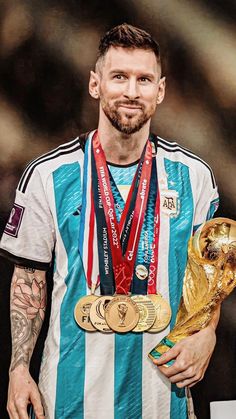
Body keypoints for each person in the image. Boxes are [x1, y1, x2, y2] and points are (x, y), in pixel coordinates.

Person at [0, 23, 220, 419]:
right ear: (95, 84)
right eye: (119, 77)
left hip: (162, 398)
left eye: (144, 79)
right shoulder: (48, 176)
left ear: (161, 90)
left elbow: (208, 281)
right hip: (70, 397)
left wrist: (208, 334)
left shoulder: (194, 177)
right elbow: (28, 282)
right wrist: (18, 369)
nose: (132, 91)